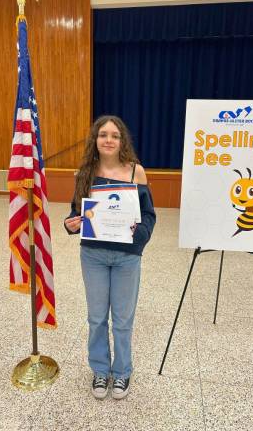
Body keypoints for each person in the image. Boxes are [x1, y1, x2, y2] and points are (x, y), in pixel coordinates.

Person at [64, 115, 156, 400]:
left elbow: (149, 216)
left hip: (127, 256)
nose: (108, 139)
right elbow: (75, 212)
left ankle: (123, 372)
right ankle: (101, 370)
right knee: (96, 318)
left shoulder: (135, 173)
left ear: (121, 141)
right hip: (93, 255)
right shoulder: (85, 174)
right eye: (103, 134)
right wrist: (71, 223)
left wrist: (138, 234)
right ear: (96, 139)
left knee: (123, 319)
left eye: (114, 135)